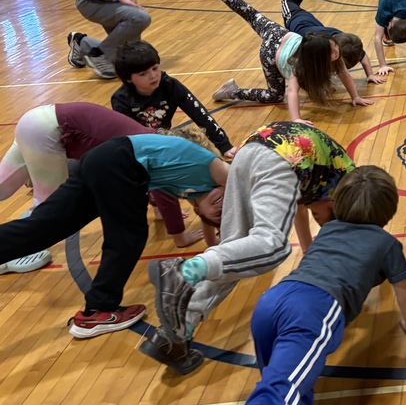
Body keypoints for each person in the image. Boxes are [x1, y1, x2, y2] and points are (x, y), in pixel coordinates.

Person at [173, 166, 406, 405]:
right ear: (389, 210)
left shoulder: (330, 229)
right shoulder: (386, 243)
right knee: (279, 393)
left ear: (339, 202)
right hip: (314, 311)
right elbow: (404, 291)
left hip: (273, 301)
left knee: (291, 401)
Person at [141, 121, 356, 375]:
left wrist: (309, 250)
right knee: (273, 245)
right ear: (335, 204)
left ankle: (172, 336)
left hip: (253, 149)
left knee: (237, 254)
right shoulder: (350, 193)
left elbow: (297, 207)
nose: (319, 221)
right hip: (284, 154)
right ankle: (183, 272)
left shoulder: (327, 183)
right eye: (325, 219)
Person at [0, 131, 228, 338]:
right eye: (226, 203)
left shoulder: (196, 190)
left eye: (217, 214)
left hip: (104, 160)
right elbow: (239, 188)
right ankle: (99, 310)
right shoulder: (219, 171)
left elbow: (210, 233)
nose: (222, 206)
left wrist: (214, 238)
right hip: (119, 161)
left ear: (198, 211)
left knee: (43, 228)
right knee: (129, 236)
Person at [0, 102, 212, 261]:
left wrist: (157, 209)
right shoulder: (161, 154)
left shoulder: (152, 140)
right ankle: (12, 254)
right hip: (49, 132)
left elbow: (156, 185)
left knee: (3, 188)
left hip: (36, 120)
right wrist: (179, 236)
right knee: (48, 210)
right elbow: (165, 193)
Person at [187, 0, 372, 122]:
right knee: (275, 96)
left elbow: (344, 73)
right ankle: (232, 92)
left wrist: (355, 96)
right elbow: (292, 92)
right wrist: (296, 119)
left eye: (335, 47)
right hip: (270, 52)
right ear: (319, 57)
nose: (337, 52)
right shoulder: (301, 67)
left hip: (280, 33)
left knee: (250, 13)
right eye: (333, 50)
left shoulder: (327, 51)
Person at [281, 0, 385, 98]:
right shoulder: (329, 45)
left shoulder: (342, 42)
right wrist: (370, 75)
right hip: (301, 21)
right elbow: (361, 54)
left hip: (306, 23)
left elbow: (362, 54)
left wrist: (370, 74)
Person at [112, 41, 237, 158]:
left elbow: (200, 114)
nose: (153, 76)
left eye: (155, 68)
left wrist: (224, 145)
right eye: (143, 74)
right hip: (140, 149)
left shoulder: (170, 86)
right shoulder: (121, 99)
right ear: (128, 78)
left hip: (165, 141)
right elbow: (127, 135)